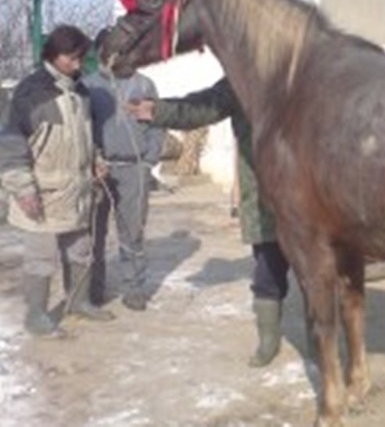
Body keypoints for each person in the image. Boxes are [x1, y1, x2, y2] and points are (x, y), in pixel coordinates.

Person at [128, 78, 289, 367]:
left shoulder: (305, 66)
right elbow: (201, 108)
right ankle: (269, 338)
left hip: (315, 193)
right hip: (267, 194)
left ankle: (320, 338)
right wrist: (158, 111)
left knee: (319, 272)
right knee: (268, 269)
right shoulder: (244, 75)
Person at [0, 25, 114, 336]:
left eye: (81, 58)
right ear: (52, 54)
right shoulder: (31, 92)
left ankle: (78, 302)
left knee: (80, 251)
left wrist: (96, 162)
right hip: (42, 194)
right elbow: (10, 145)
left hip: (76, 191)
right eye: (71, 58)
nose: (78, 65)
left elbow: (87, 138)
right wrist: (23, 190)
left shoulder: (81, 92)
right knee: (40, 259)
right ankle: (36, 316)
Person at [82, 29, 165, 311]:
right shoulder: (89, 86)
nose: (126, 54)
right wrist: (91, 161)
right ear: (104, 53)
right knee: (94, 232)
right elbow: (82, 129)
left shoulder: (145, 86)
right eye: (118, 49)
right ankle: (93, 289)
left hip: (134, 168)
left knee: (133, 231)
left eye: (129, 48)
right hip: (99, 170)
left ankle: (134, 288)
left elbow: (157, 126)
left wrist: (149, 162)